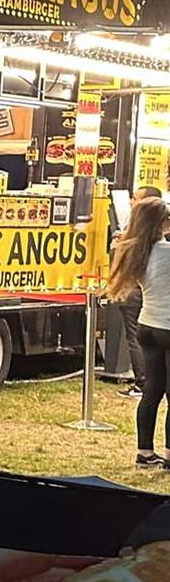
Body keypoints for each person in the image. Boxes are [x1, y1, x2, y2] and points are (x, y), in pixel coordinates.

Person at [105, 194, 170, 468]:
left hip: (148, 325)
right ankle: (169, 455)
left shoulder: (136, 252)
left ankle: (144, 452)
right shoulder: (166, 251)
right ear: (161, 222)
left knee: (151, 391)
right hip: (168, 325)